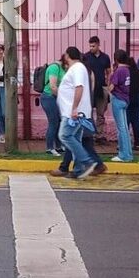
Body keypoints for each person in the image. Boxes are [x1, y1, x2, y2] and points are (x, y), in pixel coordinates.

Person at [57, 47, 98, 180]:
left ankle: (87, 162)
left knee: (65, 135)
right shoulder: (77, 68)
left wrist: (74, 108)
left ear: (67, 55)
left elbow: (79, 87)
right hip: (75, 111)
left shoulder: (77, 68)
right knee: (76, 138)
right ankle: (78, 170)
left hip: (73, 112)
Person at [83, 36, 112, 141]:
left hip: (101, 88)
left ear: (98, 45)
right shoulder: (86, 57)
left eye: (93, 46)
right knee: (87, 112)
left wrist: (108, 85)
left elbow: (109, 71)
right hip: (89, 89)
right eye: (90, 46)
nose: (91, 48)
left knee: (101, 113)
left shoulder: (105, 57)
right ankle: (89, 134)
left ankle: (99, 135)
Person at [108, 49, 133, 163]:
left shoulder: (118, 71)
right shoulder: (127, 70)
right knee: (125, 128)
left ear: (116, 59)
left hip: (118, 99)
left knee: (121, 128)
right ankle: (128, 153)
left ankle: (123, 155)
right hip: (125, 99)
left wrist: (108, 89)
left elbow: (112, 86)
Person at [40, 55, 66, 156]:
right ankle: (49, 147)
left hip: (56, 98)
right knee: (53, 122)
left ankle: (58, 146)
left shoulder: (63, 69)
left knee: (58, 121)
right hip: (49, 97)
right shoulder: (54, 67)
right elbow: (53, 87)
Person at [126, 57, 139, 150]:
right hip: (137, 97)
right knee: (136, 120)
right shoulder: (138, 72)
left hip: (127, 97)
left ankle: (125, 143)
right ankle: (138, 143)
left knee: (126, 121)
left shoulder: (125, 72)